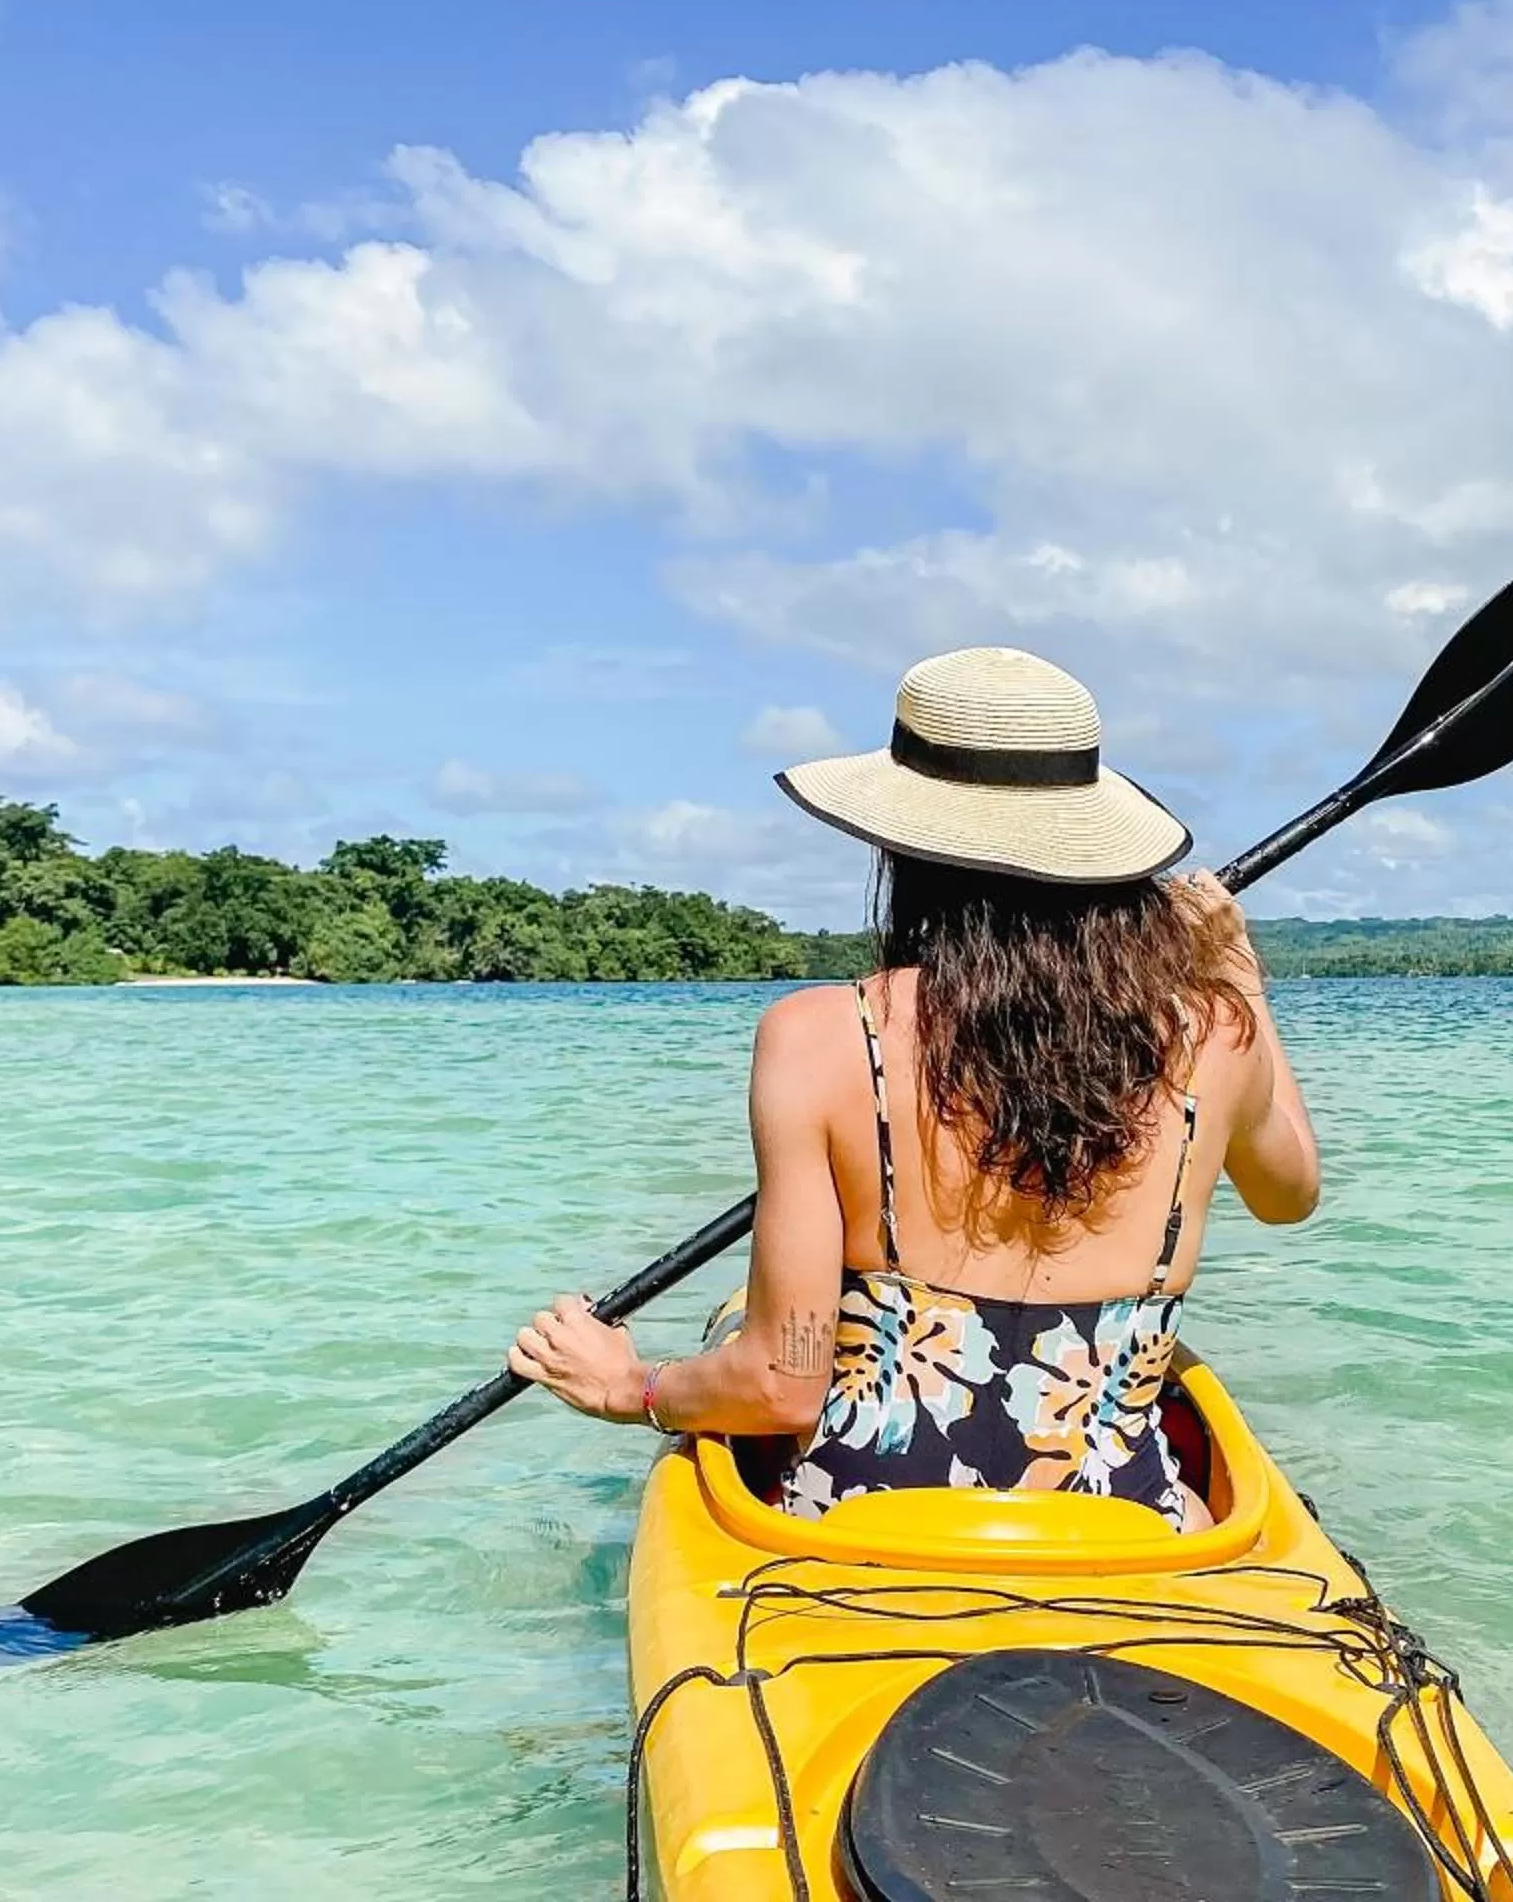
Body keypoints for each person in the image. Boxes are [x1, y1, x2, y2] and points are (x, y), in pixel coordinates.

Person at [509, 646, 1319, 1532]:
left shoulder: (817, 1036)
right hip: (1127, 1518)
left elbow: (781, 1384)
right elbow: (1289, 1192)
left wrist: (633, 1385)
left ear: (903, 843)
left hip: (867, 1516)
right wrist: (1236, 975)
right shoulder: (1213, 1031)